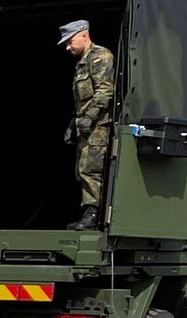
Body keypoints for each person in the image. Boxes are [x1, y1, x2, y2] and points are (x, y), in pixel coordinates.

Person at [61, 18, 117, 230]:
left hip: (98, 126)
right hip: (87, 126)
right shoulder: (83, 63)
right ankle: (88, 212)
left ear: (84, 34)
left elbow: (105, 91)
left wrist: (89, 118)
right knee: (82, 169)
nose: (68, 47)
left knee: (92, 169)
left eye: (70, 41)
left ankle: (94, 214)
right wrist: (73, 124)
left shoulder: (100, 57)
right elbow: (82, 100)